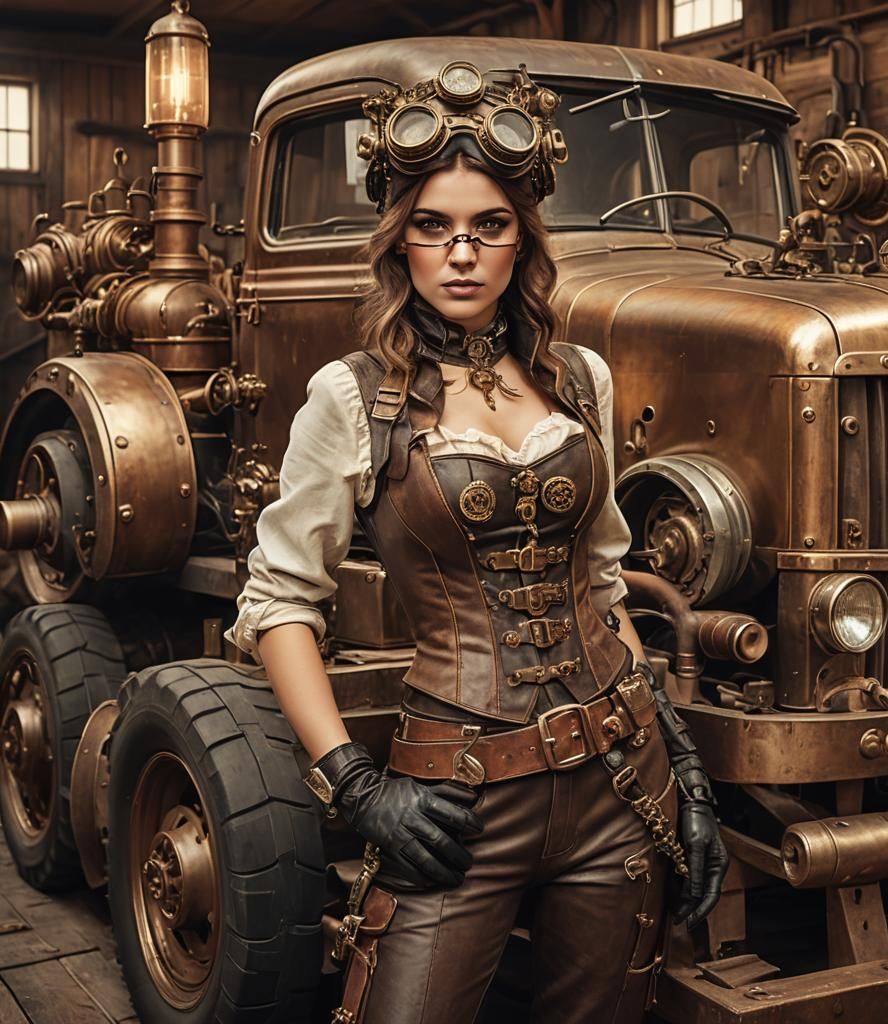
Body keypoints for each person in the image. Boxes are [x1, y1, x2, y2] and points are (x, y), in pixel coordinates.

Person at [225, 60, 727, 1024]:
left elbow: (602, 587)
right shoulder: (351, 397)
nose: (461, 252)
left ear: (521, 240)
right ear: (400, 241)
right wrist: (355, 786)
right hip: (453, 799)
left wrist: (685, 765)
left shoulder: (580, 378)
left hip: (620, 781)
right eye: (433, 227)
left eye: (489, 226)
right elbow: (281, 604)